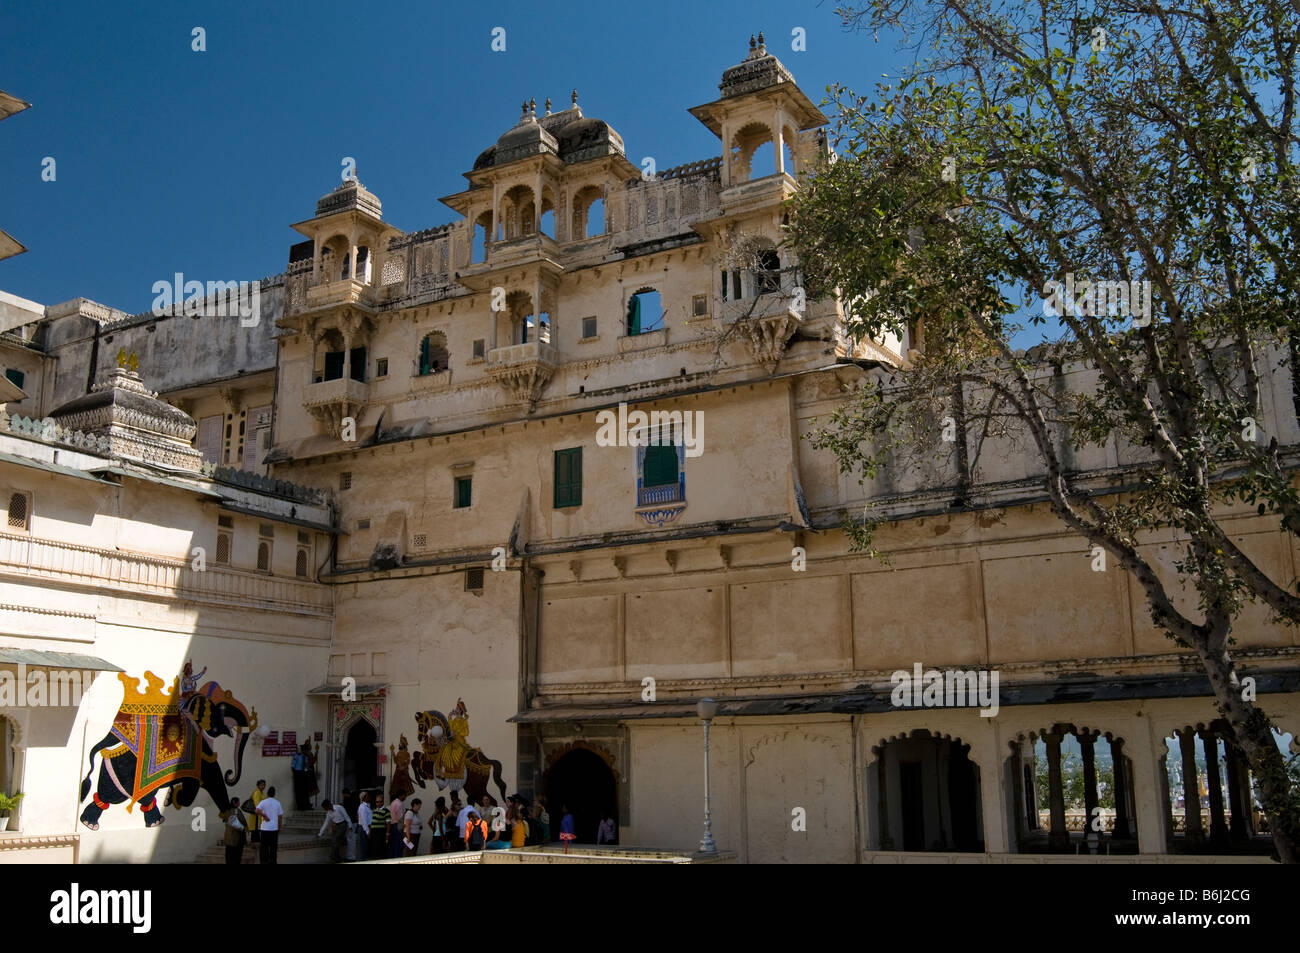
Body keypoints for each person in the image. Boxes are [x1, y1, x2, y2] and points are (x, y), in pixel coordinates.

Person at [256, 786, 285, 864]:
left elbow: (257, 810)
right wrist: (279, 828)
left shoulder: (263, 802)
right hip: (274, 829)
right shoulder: (277, 803)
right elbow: (280, 817)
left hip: (264, 829)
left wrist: (264, 816)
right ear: (274, 794)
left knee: (264, 849)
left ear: (267, 793)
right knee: (273, 849)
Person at [318, 798, 350, 863]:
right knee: (336, 842)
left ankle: (332, 856)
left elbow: (346, 816)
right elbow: (326, 823)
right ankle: (337, 858)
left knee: (335, 839)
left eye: (325, 808)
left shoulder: (339, 808)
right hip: (336, 826)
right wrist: (320, 833)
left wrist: (350, 826)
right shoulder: (329, 813)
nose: (326, 810)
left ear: (329, 805)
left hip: (343, 825)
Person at [223, 798, 247, 864]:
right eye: (238, 802)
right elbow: (243, 822)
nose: (239, 803)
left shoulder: (227, 811)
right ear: (236, 803)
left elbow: (224, 820)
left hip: (228, 836)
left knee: (229, 854)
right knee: (237, 855)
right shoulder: (237, 811)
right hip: (237, 837)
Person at [291, 742, 312, 811]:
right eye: (305, 750)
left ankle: (306, 805)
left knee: (305, 791)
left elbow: (306, 766)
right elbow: (293, 766)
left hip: (304, 774)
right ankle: (300, 806)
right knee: (299, 791)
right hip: (298, 774)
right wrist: (296, 774)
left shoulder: (305, 757)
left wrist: (307, 770)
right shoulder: (296, 756)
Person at [369, 794, 391, 859]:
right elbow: (372, 822)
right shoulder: (375, 811)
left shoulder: (386, 811)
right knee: (374, 849)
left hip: (381, 832)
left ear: (383, 802)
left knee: (380, 849)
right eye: (377, 802)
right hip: (374, 832)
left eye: (380, 802)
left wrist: (387, 835)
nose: (378, 803)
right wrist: (370, 832)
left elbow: (388, 824)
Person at [355, 791, 373, 862]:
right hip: (364, 828)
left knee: (365, 846)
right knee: (362, 846)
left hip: (366, 828)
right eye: (367, 796)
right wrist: (367, 831)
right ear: (364, 798)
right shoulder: (362, 807)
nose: (369, 797)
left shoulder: (367, 806)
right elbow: (364, 821)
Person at [388, 792, 406, 858]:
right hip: (398, 825)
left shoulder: (392, 803)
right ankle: (398, 857)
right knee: (399, 843)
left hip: (393, 824)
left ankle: (393, 857)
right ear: (400, 795)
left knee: (394, 843)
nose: (405, 797)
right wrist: (403, 826)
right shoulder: (399, 804)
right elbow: (400, 817)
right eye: (404, 795)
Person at [249, 779, 267, 843]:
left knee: (257, 831)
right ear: (258, 785)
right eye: (261, 785)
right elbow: (257, 804)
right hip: (256, 815)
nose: (263, 786)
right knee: (255, 831)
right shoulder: (257, 792)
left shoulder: (261, 793)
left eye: (264, 785)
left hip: (259, 815)